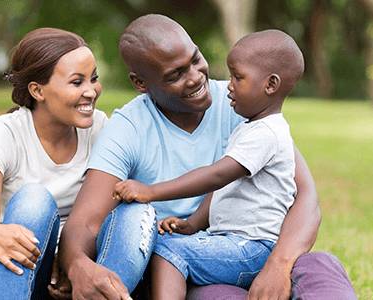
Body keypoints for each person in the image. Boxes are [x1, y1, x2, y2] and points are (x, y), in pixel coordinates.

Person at [58, 14, 357, 300]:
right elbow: (85, 221)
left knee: (321, 266)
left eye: (195, 59)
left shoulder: (242, 103)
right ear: (141, 83)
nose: (195, 77)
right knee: (214, 295)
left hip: (257, 249)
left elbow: (305, 195)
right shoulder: (129, 128)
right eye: (176, 74)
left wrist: (278, 265)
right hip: (192, 269)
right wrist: (77, 265)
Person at [111, 29, 304, 299]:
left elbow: (216, 176)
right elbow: (224, 187)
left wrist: (150, 192)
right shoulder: (250, 129)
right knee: (169, 243)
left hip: (252, 250)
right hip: (232, 244)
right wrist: (192, 225)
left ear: (270, 85)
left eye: (238, 77)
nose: (229, 85)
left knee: (167, 252)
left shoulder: (266, 134)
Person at [0, 27, 107, 299]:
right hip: (17, 277)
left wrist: (71, 260)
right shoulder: (2, 136)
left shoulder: (99, 128)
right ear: (37, 90)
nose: (91, 91)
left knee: (135, 214)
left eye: (94, 78)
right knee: (34, 199)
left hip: (77, 274)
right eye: (77, 82)